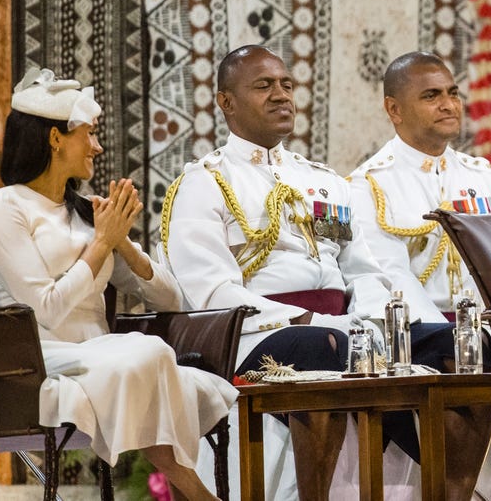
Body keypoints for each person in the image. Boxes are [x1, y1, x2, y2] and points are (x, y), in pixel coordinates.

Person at [0, 68, 236, 500]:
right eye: (89, 134)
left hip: (101, 353)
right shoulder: (3, 207)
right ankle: (194, 489)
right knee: (148, 353)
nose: (97, 146)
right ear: (55, 138)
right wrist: (100, 245)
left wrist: (124, 246)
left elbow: (171, 299)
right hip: (38, 358)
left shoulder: (86, 214)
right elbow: (45, 310)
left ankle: (190, 488)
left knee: (149, 355)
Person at [162, 44, 389, 499]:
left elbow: (362, 269)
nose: (281, 95)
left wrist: (375, 319)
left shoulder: (323, 180)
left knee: (443, 347)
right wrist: (304, 320)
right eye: (263, 86)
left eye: (286, 84)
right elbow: (211, 291)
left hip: (342, 325)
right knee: (325, 345)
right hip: (251, 335)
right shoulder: (203, 182)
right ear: (225, 102)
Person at [348, 50, 491, 497]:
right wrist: (465, 336)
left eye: (452, 93)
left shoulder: (484, 179)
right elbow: (389, 277)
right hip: (416, 335)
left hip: (488, 333)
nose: (448, 104)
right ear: (394, 109)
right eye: (431, 96)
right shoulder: (370, 185)